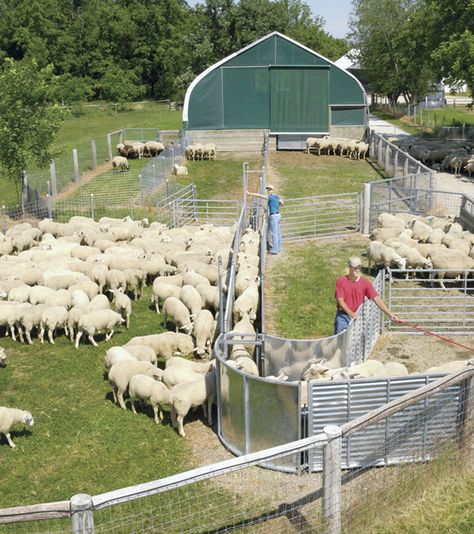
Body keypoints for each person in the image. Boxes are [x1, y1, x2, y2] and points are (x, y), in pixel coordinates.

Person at [334, 256, 399, 335]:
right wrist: (350, 312)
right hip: (343, 317)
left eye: (359, 267)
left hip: (357, 317)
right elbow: (340, 300)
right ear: (349, 267)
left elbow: (377, 299)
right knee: (340, 340)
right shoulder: (341, 281)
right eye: (355, 268)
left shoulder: (365, 283)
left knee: (355, 343)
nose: (357, 270)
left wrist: (390, 314)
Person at [247, 184, 284, 254]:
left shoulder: (270, 197)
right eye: (268, 190)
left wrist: (249, 193)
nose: (268, 191)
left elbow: (259, 196)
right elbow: (282, 203)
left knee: (274, 233)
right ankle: (278, 248)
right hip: (278, 215)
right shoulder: (276, 196)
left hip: (274, 216)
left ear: (272, 190)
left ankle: (275, 250)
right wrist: (277, 206)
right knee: (278, 232)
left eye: (270, 190)